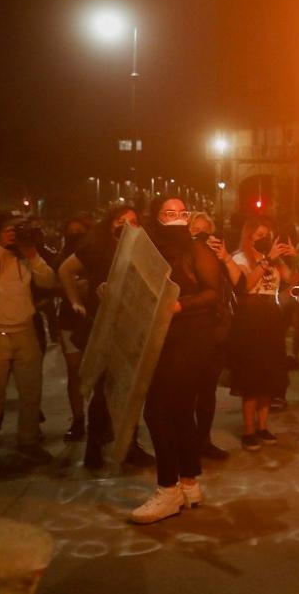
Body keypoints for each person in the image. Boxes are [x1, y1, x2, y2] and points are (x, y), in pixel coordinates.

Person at [129, 197, 222, 523]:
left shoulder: (198, 250)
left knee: (157, 411)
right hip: (162, 338)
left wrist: (181, 305)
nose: (177, 218)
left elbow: (214, 292)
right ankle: (189, 482)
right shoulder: (151, 249)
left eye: (182, 213)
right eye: (169, 213)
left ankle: (168, 489)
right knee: (180, 411)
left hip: (190, 338)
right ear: (156, 217)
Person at [58, 205, 153, 470]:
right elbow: (65, 270)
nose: (126, 225)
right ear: (109, 224)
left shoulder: (142, 250)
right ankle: (94, 448)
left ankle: (130, 445)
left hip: (133, 326)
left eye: (132, 221)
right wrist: (76, 301)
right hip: (103, 326)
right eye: (120, 220)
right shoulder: (96, 247)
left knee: (131, 390)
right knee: (102, 391)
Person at [0, 212, 57, 473]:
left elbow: (48, 280)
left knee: (31, 394)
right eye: (10, 229)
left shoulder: (24, 255)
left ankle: (28, 442)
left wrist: (30, 253)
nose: (15, 234)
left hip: (24, 332)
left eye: (19, 230)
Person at [228, 216, 297, 450]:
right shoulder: (239, 258)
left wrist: (294, 258)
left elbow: (292, 281)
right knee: (252, 378)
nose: (264, 240)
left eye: (267, 236)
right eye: (259, 236)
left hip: (270, 316)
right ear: (248, 237)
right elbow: (245, 285)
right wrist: (267, 260)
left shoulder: (275, 260)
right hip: (250, 319)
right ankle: (248, 430)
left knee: (269, 376)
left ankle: (263, 426)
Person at [187, 211, 240, 460]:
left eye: (205, 230)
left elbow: (239, 283)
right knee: (187, 390)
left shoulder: (219, 258)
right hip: (191, 329)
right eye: (194, 230)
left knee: (207, 390)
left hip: (217, 329)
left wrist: (224, 257)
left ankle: (203, 440)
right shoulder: (183, 257)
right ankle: (185, 442)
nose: (200, 235)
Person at [54, 215, 93, 441]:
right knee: (74, 372)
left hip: (95, 317)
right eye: (72, 232)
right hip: (70, 320)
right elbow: (55, 282)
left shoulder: (97, 254)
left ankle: (101, 419)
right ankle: (78, 419)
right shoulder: (62, 258)